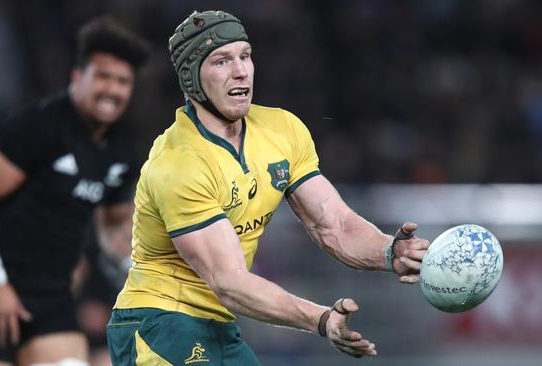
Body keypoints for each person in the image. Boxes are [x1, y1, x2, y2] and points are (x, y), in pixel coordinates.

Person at [107, 10, 430, 365]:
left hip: (218, 327)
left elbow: (333, 225)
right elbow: (228, 281)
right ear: (190, 77)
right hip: (157, 321)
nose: (241, 70)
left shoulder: (283, 130)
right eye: (221, 61)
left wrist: (389, 251)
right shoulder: (178, 164)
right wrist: (319, 319)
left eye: (245, 55)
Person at [0, 16, 149, 366]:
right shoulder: (39, 127)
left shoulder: (122, 149)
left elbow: (115, 222)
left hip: (53, 302)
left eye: (122, 81)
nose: (112, 90)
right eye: (103, 77)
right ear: (77, 77)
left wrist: (140, 269)